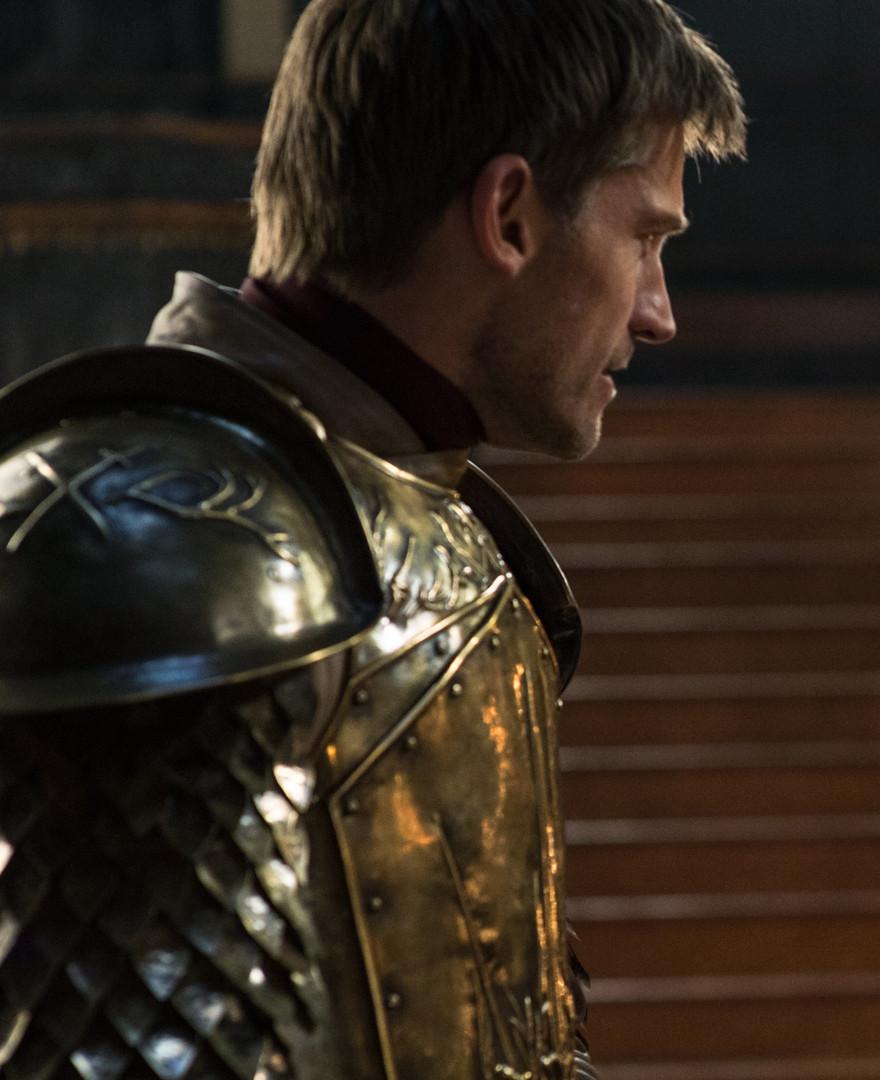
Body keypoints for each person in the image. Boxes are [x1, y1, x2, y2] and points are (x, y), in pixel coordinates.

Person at [0, 1, 743, 1076]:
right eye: (645, 238)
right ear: (510, 215)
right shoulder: (149, 541)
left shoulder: (428, 516)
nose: (657, 313)